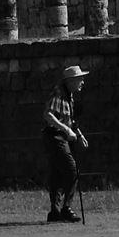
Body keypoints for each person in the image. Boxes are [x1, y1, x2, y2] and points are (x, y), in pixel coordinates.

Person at [42, 64, 89, 222]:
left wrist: (79, 134)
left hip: (60, 136)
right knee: (71, 170)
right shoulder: (59, 93)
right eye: (79, 79)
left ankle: (55, 212)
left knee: (56, 175)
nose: (82, 82)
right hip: (54, 137)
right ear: (70, 81)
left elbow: (70, 120)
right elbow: (48, 115)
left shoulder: (69, 96)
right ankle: (66, 208)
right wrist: (66, 130)